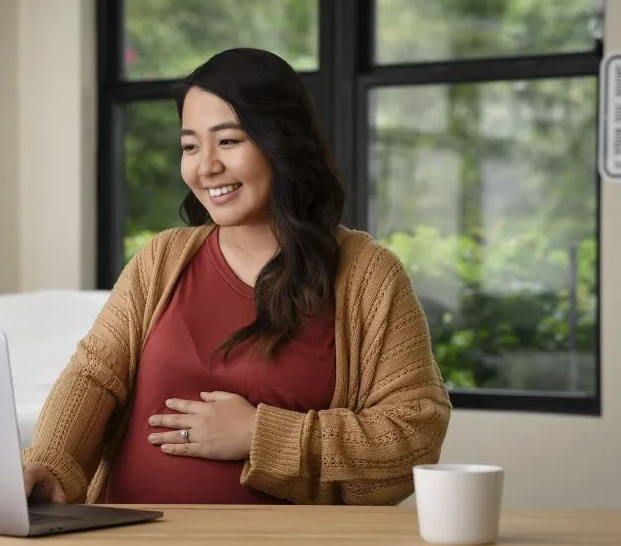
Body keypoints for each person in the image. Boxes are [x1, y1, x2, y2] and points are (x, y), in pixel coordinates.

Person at [22, 47, 451, 507]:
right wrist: (47, 462)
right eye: (190, 146)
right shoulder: (161, 260)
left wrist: (259, 434)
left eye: (228, 141)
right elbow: (93, 376)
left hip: (282, 543)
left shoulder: (368, 275)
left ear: (282, 141)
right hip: (127, 537)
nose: (206, 167)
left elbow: (415, 434)